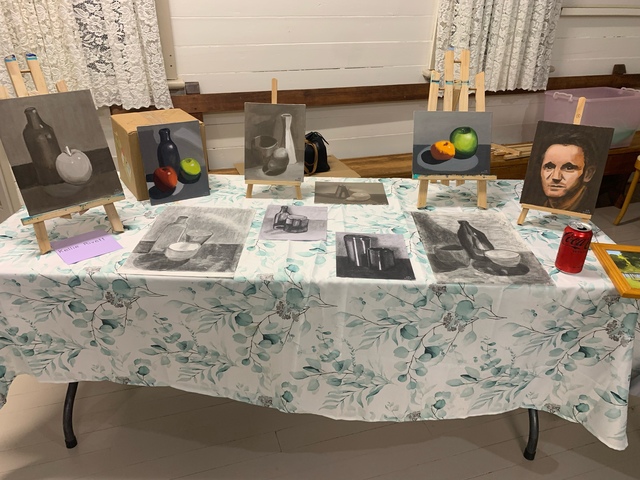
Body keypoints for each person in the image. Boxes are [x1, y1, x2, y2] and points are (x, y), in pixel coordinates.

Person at [522, 125, 606, 215]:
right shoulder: (539, 204)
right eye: (549, 167)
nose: (556, 177)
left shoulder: (586, 206)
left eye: (569, 168)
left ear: (588, 174)